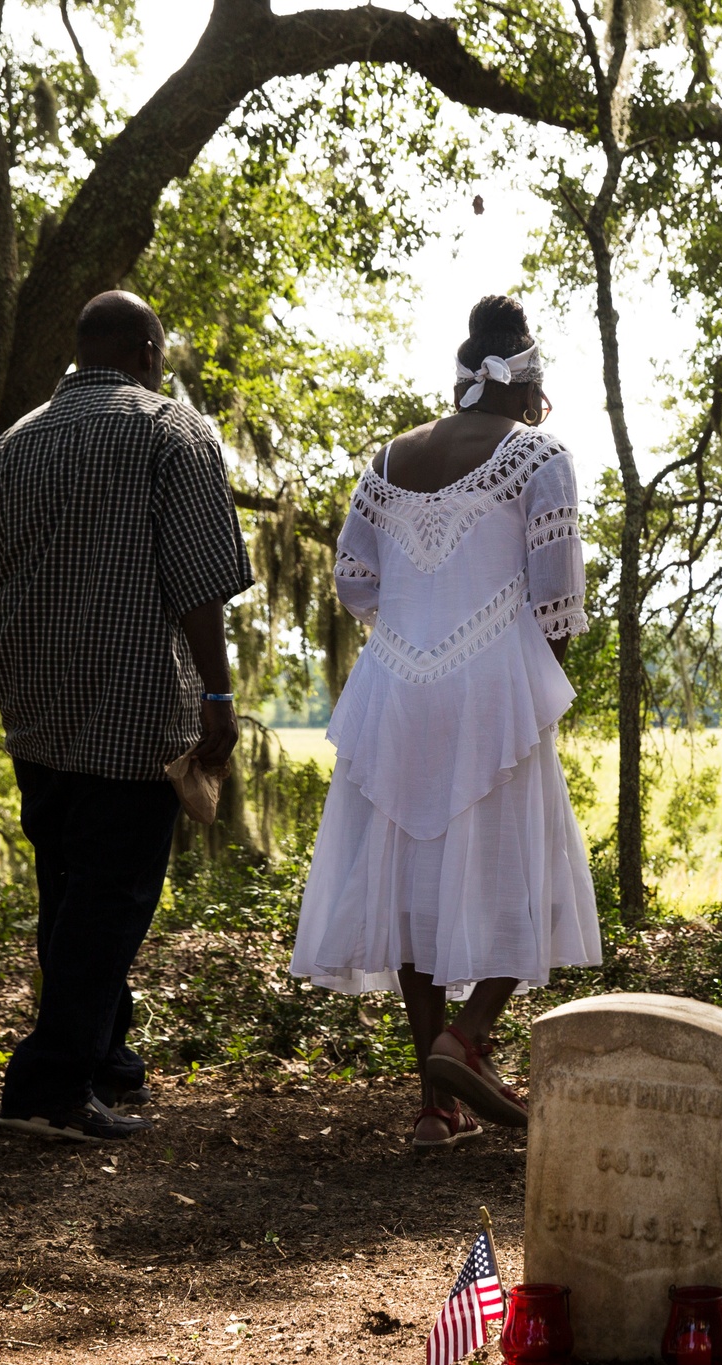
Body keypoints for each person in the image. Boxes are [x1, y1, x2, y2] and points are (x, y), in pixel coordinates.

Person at [0, 291, 254, 1142]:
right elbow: (199, 579)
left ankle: (106, 1059)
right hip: (133, 704)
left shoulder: (13, 443)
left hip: (36, 704)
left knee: (68, 886)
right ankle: (49, 1087)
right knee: (110, 897)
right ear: (150, 353)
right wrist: (218, 698)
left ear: (82, 355)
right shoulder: (172, 432)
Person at [290, 295, 602, 1152]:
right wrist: (534, 686)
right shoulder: (543, 455)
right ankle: (465, 1039)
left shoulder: (387, 457)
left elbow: (355, 581)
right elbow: (558, 599)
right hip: (492, 681)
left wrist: (417, 628)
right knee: (526, 869)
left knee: (411, 891)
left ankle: (434, 1107)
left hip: (394, 684)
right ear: (529, 385)